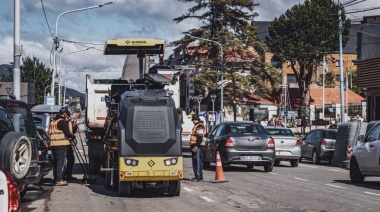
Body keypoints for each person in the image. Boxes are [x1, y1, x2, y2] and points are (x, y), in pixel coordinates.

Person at [49, 107, 76, 186]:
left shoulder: (53, 122)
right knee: (60, 163)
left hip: (54, 145)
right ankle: (58, 180)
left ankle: (56, 179)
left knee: (56, 163)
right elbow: (67, 133)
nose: (67, 116)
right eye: (67, 114)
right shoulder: (62, 122)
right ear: (64, 114)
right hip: (61, 145)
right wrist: (73, 137)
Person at [189, 114, 206, 182]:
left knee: (197, 161)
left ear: (197, 120)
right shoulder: (197, 126)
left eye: (195, 119)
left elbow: (200, 137)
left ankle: (199, 177)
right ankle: (197, 176)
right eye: (193, 120)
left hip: (198, 146)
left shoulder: (200, 126)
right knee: (195, 161)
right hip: (195, 146)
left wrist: (196, 146)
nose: (194, 121)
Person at [63, 116, 78, 181]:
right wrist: (72, 136)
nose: (69, 118)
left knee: (71, 159)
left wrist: (75, 127)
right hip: (63, 144)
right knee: (62, 161)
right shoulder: (63, 123)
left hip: (68, 143)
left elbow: (71, 132)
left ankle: (68, 175)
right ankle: (61, 177)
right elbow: (68, 133)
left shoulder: (69, 123)